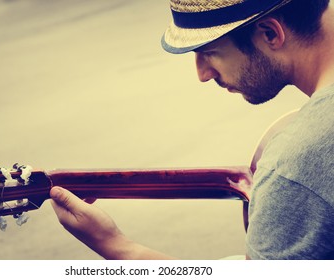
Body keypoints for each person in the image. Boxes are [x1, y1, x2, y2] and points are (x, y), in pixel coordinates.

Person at [50, 0, 334, 259]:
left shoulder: (293, 169)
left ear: (270, 34)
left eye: (209, 52)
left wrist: (114, 245)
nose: (202, 74)